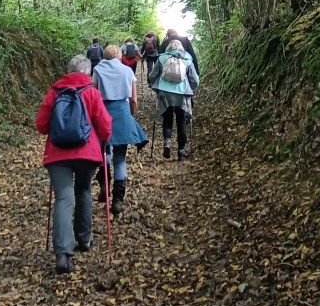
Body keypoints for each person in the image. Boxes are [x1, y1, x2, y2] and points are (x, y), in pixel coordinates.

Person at [35, 54, 112, 276]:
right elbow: (105, 125)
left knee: (64, 198)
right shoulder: (91, 92)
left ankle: (62, 254)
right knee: (84, 190)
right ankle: (84, 239)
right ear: (88, 73)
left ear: (68, 71)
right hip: (87, 153)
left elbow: (41, 125)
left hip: (57, 154)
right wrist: (105, 139)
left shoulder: (54, 91)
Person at [93, 44, 148, 214]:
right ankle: (118, 199)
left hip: (103, 114)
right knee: (121, 159)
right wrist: (131, 116)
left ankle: (104, 183)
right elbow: (133, 99)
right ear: (119, 55)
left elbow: (94, 95)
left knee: (105, 151)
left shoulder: (97, 70)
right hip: (122, 113)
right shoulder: (127, 71)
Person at [149, 38, 199, 161]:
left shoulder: (162, 58)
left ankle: (167, 142)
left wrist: (155, 85)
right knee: (181, 121)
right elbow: (194, 80)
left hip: (165, 93)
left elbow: (152, 76)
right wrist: (192, 89)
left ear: (168, 48)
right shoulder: (187, 58)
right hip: (182, 94)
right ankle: (181, 151)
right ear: (181, 48)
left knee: (167, 118)